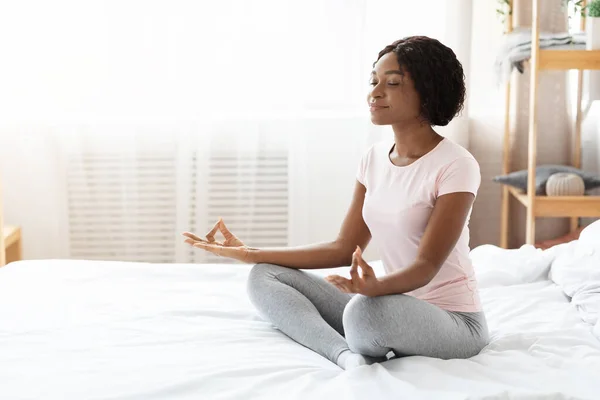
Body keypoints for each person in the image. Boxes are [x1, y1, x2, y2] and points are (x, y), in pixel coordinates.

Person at [182, 36, 489, 370]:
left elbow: (426, 266)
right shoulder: (373, 160)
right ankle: (344, 355)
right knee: (264, 276)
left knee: (362, 313)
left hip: (453, 321)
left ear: (427, 92)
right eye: (373, 81)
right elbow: (344, 248)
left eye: (392, 83)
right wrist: (251, 253)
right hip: (389, 301)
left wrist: (374, 289)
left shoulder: (456, 164)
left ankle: (362, 334)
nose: (375, 92)